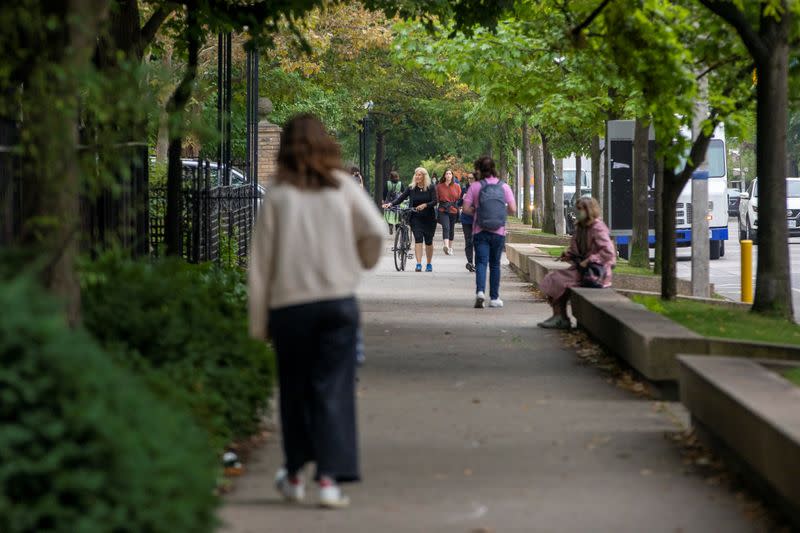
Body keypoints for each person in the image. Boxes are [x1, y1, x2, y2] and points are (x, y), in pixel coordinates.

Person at [249, 114, 384, 508]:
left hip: (290, 307)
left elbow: (261, 264)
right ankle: (328, 479)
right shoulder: (342, 186)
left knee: (294, 391)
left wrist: (259, 324)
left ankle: (293, 474)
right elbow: (375, 231)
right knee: (334, 390)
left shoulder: (277, 194)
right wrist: (358, 263)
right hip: (337, 302)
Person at [538, 197, 615, 329]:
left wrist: (589, 260)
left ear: (589, 210)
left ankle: (560, 317)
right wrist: (568, 255)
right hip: (581, 269)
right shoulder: (580, 227)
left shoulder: (597, 228)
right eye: (577, 209)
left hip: (595, 272)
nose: (578, 212)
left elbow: (608, 252)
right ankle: (559, 315)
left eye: (581, 209)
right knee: (553, 278)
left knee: (558, 280)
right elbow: (578, 251)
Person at [462, 156, 517, 309]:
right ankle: (494, 298)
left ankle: (480, 292)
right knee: (495, 264)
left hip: (480, 230)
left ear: (478, 170)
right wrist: (499, 211)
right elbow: (513, 209)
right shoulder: (504, 186)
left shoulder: (475, 186)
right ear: (494, 168)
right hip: (498, 231)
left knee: (481, 262)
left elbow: (465, 209)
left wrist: (478, 211)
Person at [382, 167, 438, 272]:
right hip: (415, 217)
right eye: (416, 174)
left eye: (419, 175)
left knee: (429, 241)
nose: (417, 176)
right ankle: (418, 264)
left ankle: (429, 263)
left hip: (429, 217)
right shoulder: (411, 188)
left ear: (424, 176)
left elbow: (435, 201)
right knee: (418, 238)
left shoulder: (431, 187)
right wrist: (390, 204)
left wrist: (425, 205)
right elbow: (401, 198)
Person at [436, 169, 461, 255]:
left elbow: (458, 198)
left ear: (452, 176)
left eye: (450, 174)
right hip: (443, 209)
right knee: (446, 227)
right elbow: (437, 198)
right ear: (444, 176)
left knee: (451, 229)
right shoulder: (439, 186)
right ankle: (446, 246)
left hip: (453, 209)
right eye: (446, 173)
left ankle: (450, 247)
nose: (448, 175)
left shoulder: (457, 186)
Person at [459, 173, 475, 271]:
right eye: (468, 178)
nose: (470, 180)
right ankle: (470, 262)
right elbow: (459, 203)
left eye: (472, 178)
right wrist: (462, 199)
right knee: (468, 241)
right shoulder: (465, 189)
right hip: (466, 219)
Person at [383, 171, 405, 235]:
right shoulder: (400, 184)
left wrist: (384, 200)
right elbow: (403, 192)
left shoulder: (387, 183)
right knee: (397, 213)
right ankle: (397, 227)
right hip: (398, 200)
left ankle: (390, 225)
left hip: (389, 200)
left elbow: (384, 192)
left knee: (389, 213)